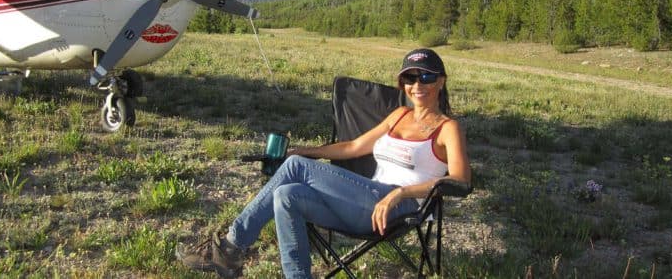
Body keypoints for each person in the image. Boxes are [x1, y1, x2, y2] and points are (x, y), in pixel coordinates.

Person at [178, 48, 471, 279]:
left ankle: (230, 248)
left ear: (441, 81)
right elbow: (354, 147)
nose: (417, 85)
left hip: (400, 208)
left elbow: (460, 180)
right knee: (286, 195)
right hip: (363, 204)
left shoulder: (448, 128)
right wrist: (304, 151)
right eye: (410, 78)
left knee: (295, 170)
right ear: (403, 84)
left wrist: (400, 193)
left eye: (427, 77)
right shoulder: (399, 116)